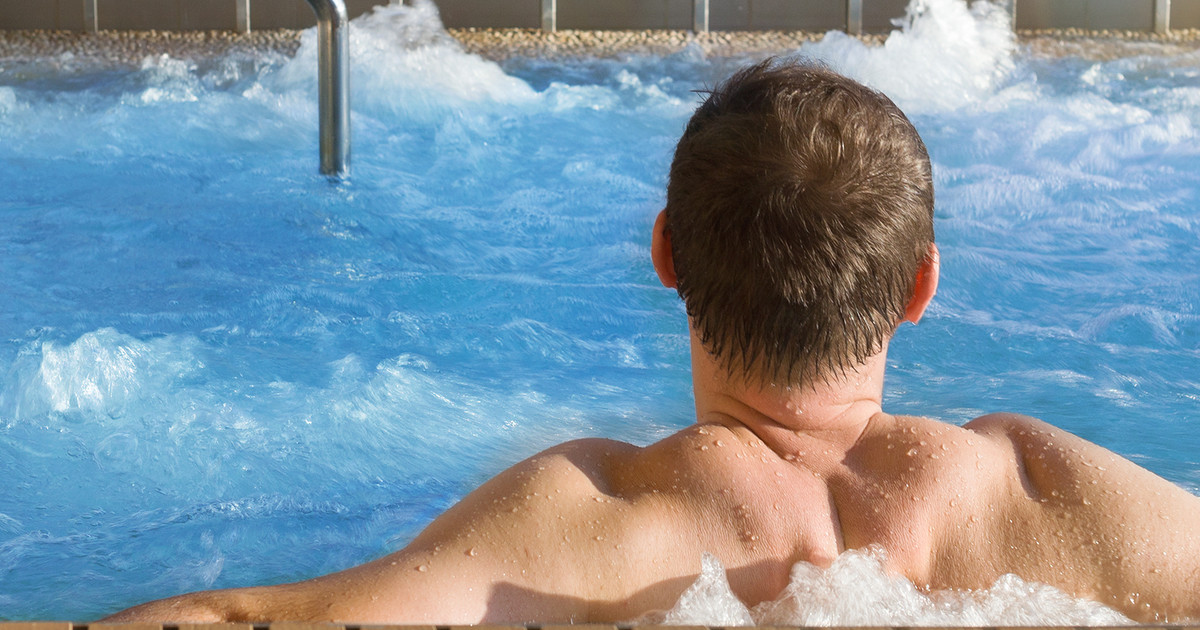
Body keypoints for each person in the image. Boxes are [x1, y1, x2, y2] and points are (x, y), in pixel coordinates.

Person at [103, 58, 1200, 624]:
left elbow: (253, 623)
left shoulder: (604, 518)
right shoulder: (1035, 493)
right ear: (922, 288)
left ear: (665, 254)